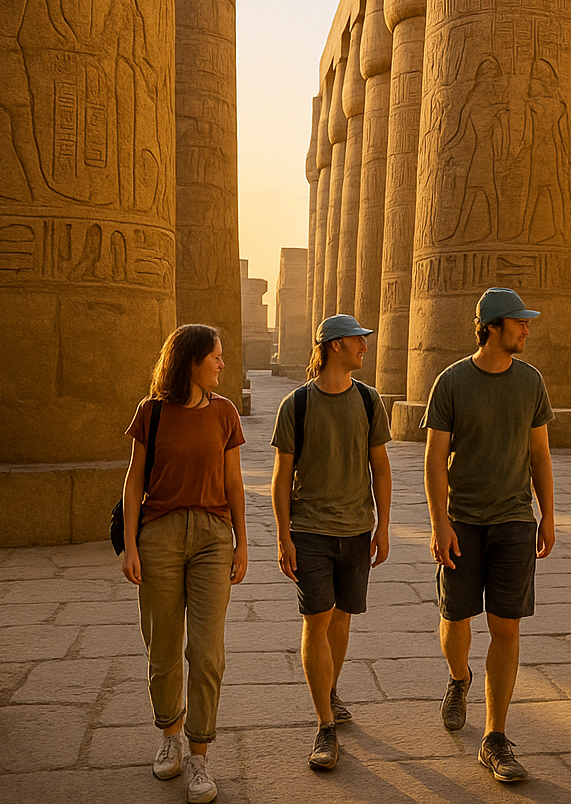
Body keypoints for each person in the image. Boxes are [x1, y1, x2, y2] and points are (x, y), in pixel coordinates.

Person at [423, 288, 556, 782]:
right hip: (463, 521)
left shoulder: (530, 382)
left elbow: (539, 453)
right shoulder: (452, 381)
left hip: (515, 521)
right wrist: (440, 524)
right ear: (493, 327)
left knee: (506, 626)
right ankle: (459, 677)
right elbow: (435, 460)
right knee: (457, 620)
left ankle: (494, 736)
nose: (527, 330)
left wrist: (548, 514)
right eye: (520, 323)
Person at [121, 324, 248, 804]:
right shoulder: (150, 413)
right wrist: (131, 546)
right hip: (160, 536)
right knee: (163, 645)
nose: (221, 363)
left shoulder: (225, 413)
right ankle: (169, 735)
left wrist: (242, 542)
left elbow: (234, 483)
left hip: (214, 537)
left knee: (208, 650)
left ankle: (200, 755)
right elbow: (134, 482)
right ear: (191, 362)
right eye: (215, 356)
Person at [270, 314, 392, 772]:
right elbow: (282, 478)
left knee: (342, 616)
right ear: (336, 346)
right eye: (359, 341)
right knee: (316, 617)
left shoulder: (368, 400)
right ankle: (325, 725)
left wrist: (383, 526)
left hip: (357, 529)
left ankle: (330, 689)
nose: (365, 347)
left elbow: (380, 466)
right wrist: (283, 535)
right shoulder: (296, 405)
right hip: (311, 530)